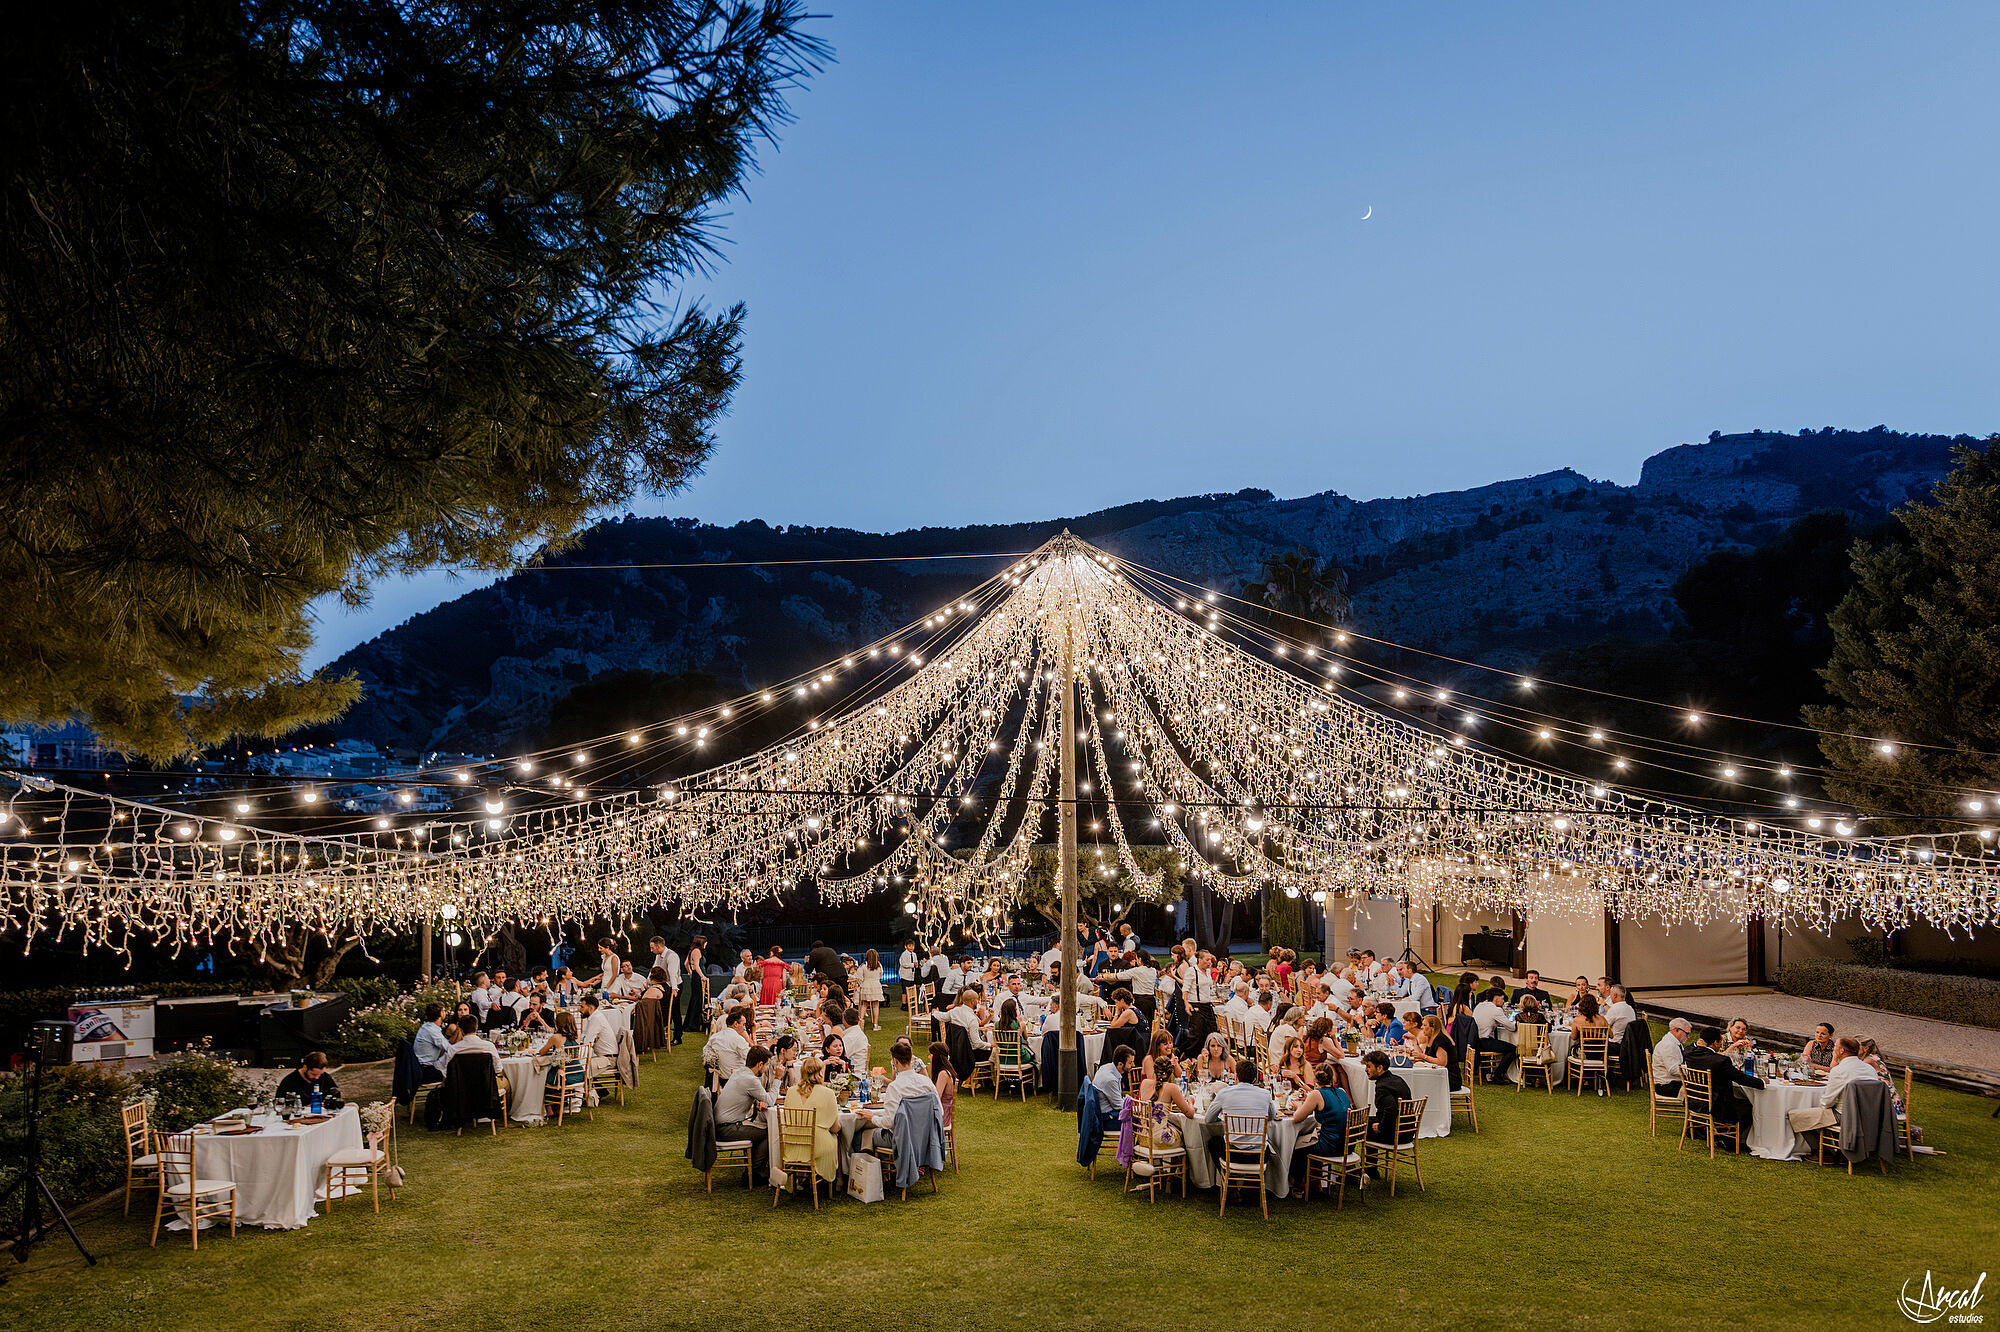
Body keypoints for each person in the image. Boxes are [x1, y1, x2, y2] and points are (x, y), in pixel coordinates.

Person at [1683, 1024, 1762, 1133]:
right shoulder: (1720, 1061)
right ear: (1715, 1042)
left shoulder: (1689, 1053)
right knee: (1748, 1107)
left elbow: (1691, 1046)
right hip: (1716, 1106)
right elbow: (1740, 1078)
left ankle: (1703, 1130)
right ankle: (1729, 1142)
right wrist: (1761, 1082)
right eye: (1720, 1041)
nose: (1721, 1044)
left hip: (1693, 1100)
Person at [780, 1058, 843, 1188]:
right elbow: (835, 1128)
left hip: (791, 1144)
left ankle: (804, 1178)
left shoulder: (791, 1091)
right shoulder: (828, 1093)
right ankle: (839, 1181)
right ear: (821, 1073)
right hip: (816, 1146)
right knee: (837, 1137)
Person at [1200, 1058, 1273, 1166]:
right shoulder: (1265, 1094)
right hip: (1260, 1156)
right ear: (1254, 1078)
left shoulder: (1224, 1093)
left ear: (1236, 1076)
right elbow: (1272, 1116)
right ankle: (1253, 1179)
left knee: (1213, 1142)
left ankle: (1229, 1179)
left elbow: (1208, 1119)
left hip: (1233, 1154)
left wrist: (1222, 1116)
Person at [1289, 1060, 1353, 1183]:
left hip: (1330, 1146)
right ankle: (1315, 1181)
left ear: (1315, 1077)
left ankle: (1299, 1184)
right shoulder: (1341, 1092)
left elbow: (1297, 1118)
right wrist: (1308, 1101)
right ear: (1332, 1078)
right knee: (1310, 1138)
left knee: (1296, 1144)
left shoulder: (1316, 1094)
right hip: (1347, 1145)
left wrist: (1299, 1106)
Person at [715, 1044, 776, 1154]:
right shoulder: (750, 1079)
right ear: (760, 1064)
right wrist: (778, 1079)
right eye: (766, 1065)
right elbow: (770, 1101)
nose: (766, 1068)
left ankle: (752, 1167)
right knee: (770, 1133)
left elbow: (751, 1094)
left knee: (761, 1131)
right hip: (727, 1129)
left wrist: (760, 1100)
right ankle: (756, 1170)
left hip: (721, 1125)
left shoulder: (740, 1072)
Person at [1362, 1049, 1413, 1153]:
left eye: (1368, 1066)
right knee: (1363, 1121)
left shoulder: (1382, 1086)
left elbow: (1391, 1110)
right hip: (1408, 1131)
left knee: (1355, 1126)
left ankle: (1363, 1167)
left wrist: (1380, 1126)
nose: (1366, 1070)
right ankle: (1370, 1168)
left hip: (1396, 1135)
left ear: (1380, 1068)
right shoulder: (1398, 1079)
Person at [1409, 1013, 1461, 1091]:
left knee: (1417, 1084)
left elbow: (1442, 1062)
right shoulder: (1431, 1038)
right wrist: (1414, 1041)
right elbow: (1423, 1057)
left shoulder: (1440, 1039)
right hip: (1438, 1075)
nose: (1422, 1027)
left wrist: (1423, 1057)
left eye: (1424, 1025)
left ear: (1432, 1028)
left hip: (1449, 1079)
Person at [703, 1007, 753, 1083]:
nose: (745, 1028)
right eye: (743, 1024)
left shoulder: (715, 1037)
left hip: (721, 1078)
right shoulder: (738, 1040)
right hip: (736, 1080)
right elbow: (752, 1058)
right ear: (736, 1024)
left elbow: (706, 1053)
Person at [275, 1051, 340, 1105]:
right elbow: (280, 1103)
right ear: (305, 1067)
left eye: (320, 1074)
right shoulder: (289, 1081)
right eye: (313, 1074)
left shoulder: (325, 1077)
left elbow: (336, 1096)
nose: (317, 1077)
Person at [576, 993, 618, 1074]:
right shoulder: (592, 1018)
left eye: (582, 1007)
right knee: (578, 1065)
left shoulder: (596, 1019)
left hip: (609, 1059)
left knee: (580, 1067)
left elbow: (587, 1043)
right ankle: (592, 1086)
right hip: (602, 1057)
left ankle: (588, 1086)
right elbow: (583, 1038)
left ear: (591, 1008)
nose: (579, 1010)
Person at [1652, 1017, 1692, 1097]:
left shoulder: (1674, 1043)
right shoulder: (1668, 1045)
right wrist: (1692, 1070)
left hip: (1671, 1083)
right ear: (1677, 1030)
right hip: (1666, 1086)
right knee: (1701, 1092)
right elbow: (1673, 1069)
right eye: (1687, 1034)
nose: (1688, 1037)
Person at [413, 1003, 452, 1081]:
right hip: (426, 1070)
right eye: (444, 1010)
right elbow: (449, 1049)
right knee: (452, 1077)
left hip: (420, 1067)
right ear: (441, 1013)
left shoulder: (427, 1027)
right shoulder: (432, 1031)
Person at [1092, 1045, 1136, 1111]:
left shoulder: (1105, 1067)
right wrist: (1137, 1109)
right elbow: (1119, 1106)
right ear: (1120, 1064)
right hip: (1108, 1116)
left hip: (1107, 1109)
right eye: (1130, 1063)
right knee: (1139, 1118)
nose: (1133, 1065)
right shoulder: (1110, 1080)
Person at [857, 949, 886, 1030]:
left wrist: (862, 984)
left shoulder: (863, 966)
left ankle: (860, 1024)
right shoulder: (879, 965)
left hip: (866, 985)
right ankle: (875, 1025)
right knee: (875, 1006)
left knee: (864, 1005)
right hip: (876, 985)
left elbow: (859, 977)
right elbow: (881, 974)